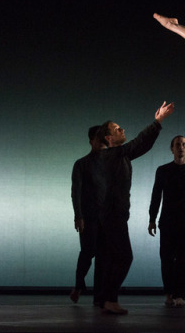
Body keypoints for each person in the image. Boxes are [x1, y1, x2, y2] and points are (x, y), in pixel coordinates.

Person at [98, 101, 175, 315]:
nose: (122, 129)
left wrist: (157, 125)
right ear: (109, 138)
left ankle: (105, 299)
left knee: (115, 257)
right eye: (116, 129)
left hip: (116, 214)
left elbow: (143, 145)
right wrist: (158, 121)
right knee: (124, 257)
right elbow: (137, 143)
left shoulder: (119, 155)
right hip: (112, 214)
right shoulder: (111, 155)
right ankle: (108, 299)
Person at [148, 135, 185, 308]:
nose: (181, 147)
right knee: (167, 258)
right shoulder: (163, 170)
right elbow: (156, 195)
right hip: (167, 220)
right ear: (172, 149)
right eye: (177, 144)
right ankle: (169, 292)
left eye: (183, 144)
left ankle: (180, 294)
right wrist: (152, 218)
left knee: (183, 259)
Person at [70, 125, 106, 305]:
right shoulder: (82, 164)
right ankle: (78, 285)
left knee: (104, 256)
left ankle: (100, 296)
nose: (101, 141)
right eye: (97, 138)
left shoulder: (111, 162)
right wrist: (79, 216)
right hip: (89, 216)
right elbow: (75, 191)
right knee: (88, 252)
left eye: (103, 137)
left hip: (107, 217)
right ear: (91, 141)